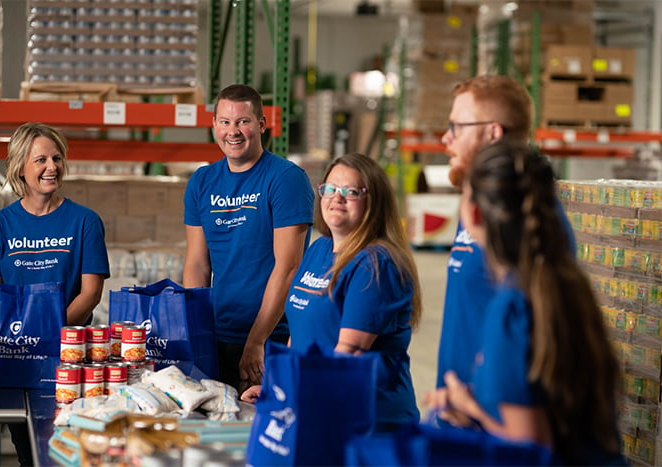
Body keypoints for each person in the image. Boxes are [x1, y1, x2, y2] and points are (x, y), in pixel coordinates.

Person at [431, 139, 625, 464]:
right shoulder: (569, 288)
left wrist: (468, 409)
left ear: (474, 213)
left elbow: (530, 448)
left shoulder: (512, 311)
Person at [242, 152, 422, 432]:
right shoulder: (319, 249)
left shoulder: (376, 264)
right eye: (330, 189)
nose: (337, 198)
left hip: (367, 421)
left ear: (374, 202)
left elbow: (348, 354)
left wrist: (291, 396)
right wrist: (277, 388)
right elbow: (300, 334)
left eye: (351, 192)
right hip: (318, 406)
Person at [429, 75, 576, 404]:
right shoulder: (481, 206)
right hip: (460, 409)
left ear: (493, 132)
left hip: (499, 419)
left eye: (457, 127)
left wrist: (479, 407)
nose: (446, 138)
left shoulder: (526, 218)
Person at [0, 122, 110, 466]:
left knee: (67, 453)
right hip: (15, 359)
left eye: (57, 158)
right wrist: (24, 344)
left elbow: (91, 293)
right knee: (29, 453)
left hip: (67, 360)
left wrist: (48, 338)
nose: (52, 167)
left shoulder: (85, 221)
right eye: (41, 160)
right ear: (20, 166)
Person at [182, 84, 314, 392]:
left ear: (261, 125)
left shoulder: (285, 179)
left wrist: (257, 341)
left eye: (243, 121)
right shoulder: (201, 182)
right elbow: (197, 264)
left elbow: (289, 266)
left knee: (259, 430)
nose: (233, 131)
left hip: (273, 336)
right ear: (214, 125)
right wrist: (193, 331)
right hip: (216, 334)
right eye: (225, 122)